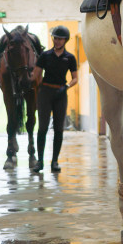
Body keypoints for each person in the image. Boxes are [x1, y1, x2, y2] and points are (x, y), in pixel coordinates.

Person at [32, 25, 78, 173]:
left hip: (60, 93)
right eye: (56, 38)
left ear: (65, 40)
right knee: (43, 128)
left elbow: (75, 78)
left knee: (59, 129)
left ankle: (55, 161)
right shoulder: (45, 55)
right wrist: (27, 79)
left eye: (61, 39)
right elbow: (36, 74)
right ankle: (39, 162)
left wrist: (66, 87)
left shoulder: (70, 58)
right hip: (45, 92)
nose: (58, 41)